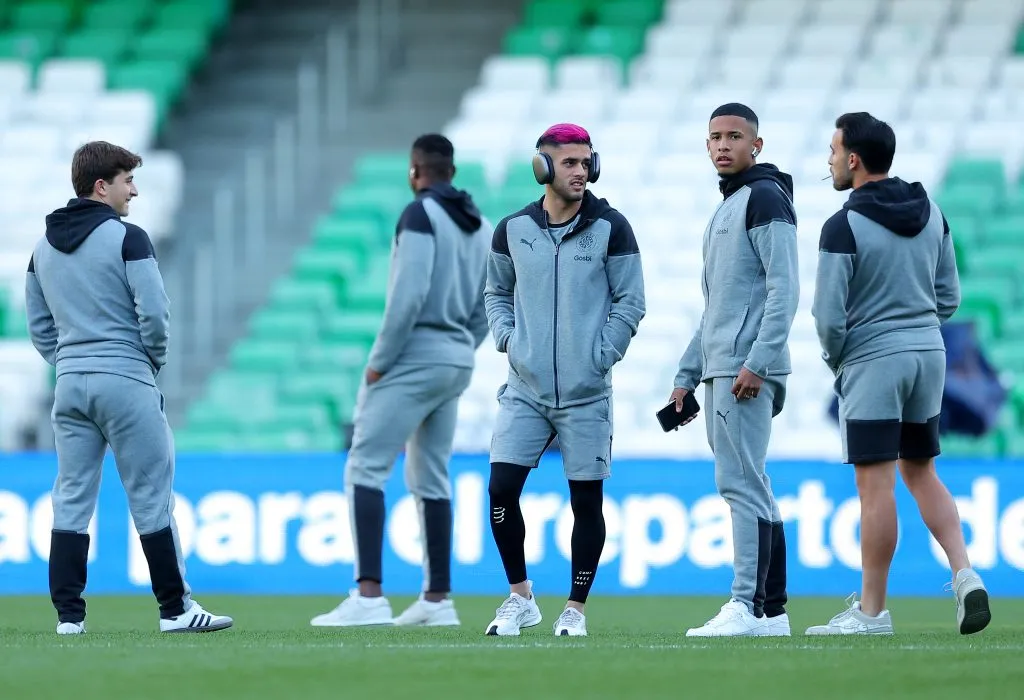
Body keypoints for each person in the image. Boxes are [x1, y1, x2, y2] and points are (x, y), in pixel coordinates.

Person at [26, 141, 232, 635]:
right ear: (103, 186)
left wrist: (69, 361)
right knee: (150, 496)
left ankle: (69, 618)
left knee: (71, 497)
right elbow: (155, 314)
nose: (134, 191)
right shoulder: (127, 238)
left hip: (71, 384)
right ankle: (175, 610)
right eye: (127, 181)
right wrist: (147, 362)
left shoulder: (41, 247)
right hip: (125, 378)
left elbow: (38, 324)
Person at [806, 112, 990, 636]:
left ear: (854, 159)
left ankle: (872, 611)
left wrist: (840, 358)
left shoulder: (842, 225)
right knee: (921, 470)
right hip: (929, 355)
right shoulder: (932, 212)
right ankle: (964, 573)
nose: (830, 160)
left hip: (872, 360)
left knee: (876, 486)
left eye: (834, 151)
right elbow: (949, 298)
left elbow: (826, 317)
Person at [310, 134, 491, 628]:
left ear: (416, 172)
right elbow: (489, 307)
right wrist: (459, 349)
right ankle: (438, 601)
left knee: (365, 467)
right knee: (431, 475)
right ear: (450, 171)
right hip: (455, 359)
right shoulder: (482, 226)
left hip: (412, 356)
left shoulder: (418, 215)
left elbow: (406, 298)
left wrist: (379, 363)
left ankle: (368, 596)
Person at [483, 123, 646, 637]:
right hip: (525, 389)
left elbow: (631, 300)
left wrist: (602, 355)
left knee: (586, 504)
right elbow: (495, 293)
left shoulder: (612, 226)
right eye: (570, 162)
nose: (582, 172)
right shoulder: (511, 230)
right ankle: (520, 598)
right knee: (501, 490)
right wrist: (510, 340)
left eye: (586, 162)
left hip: (587, 393)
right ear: (543, 167)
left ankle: (575, 608)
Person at [670, 104, 799, 637]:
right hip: (724, 368)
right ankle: (772, 612)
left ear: (757, 145)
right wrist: (686, 372)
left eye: (734, 137)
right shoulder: (731, 204)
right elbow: (717, 306)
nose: (723, 145)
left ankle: (744, 605)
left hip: (744, 371)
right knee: (754, 485)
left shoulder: (765, 199)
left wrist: (756, 362)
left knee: (739, 484)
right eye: (715, 137)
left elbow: (784, 290)